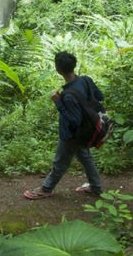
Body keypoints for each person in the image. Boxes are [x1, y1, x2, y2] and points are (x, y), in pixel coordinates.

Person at [24, 52, 103, 200]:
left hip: (71, 135)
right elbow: (99, 97)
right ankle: (95, 187)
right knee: (85, 158)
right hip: (87, 129)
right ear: (74, 65)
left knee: (60, 162)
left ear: (58, 69)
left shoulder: (68, 96)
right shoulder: (86, 80)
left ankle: (46, 189)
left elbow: (74, 121)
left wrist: (58, 102)